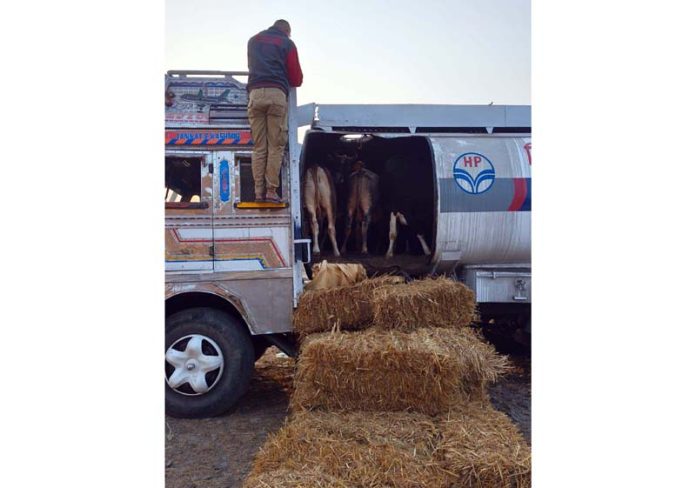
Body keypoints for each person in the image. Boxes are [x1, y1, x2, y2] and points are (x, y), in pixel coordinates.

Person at [247, 19, 303, 203]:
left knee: (259, 147)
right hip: (276, 95)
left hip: (255, 95)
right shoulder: (287, 43)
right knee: (276, 146)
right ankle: (271, 191)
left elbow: (252, 67)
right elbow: (296, 78)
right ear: (287, 31)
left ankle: (258, 193)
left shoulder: (253, 40)